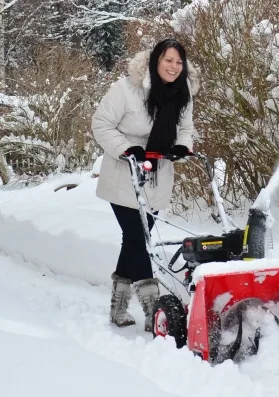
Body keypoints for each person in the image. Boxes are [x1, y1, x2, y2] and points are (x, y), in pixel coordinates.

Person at [91, 39, 200, 332]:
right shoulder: (126, 89)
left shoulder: (183, 93)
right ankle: (154, 308)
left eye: (179, 62)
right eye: (168, 60)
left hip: (156, 177)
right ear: (155, 61)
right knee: (139, 238)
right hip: (124, 172)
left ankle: (117, 309)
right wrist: (128, 149)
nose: (174, 67)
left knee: (135, 240)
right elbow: (100, 124)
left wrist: (181, 146)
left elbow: (185, 128)